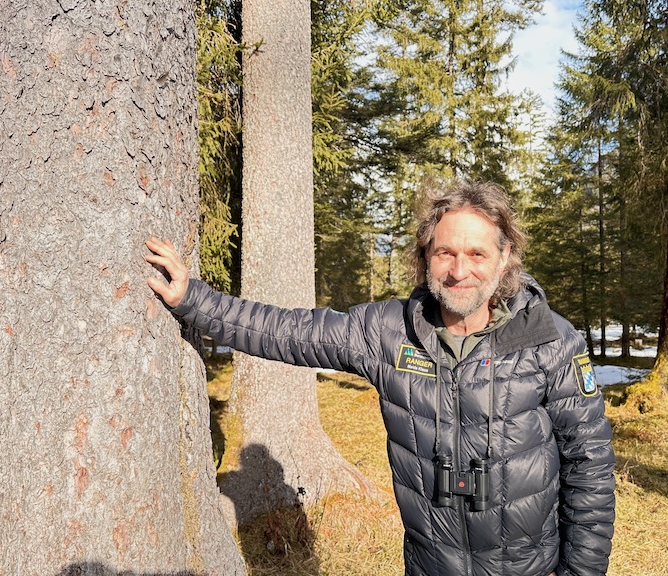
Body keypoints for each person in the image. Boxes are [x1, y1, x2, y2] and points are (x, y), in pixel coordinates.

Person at [145, 180, 615, 576]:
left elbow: (589, 467)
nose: (459, 271)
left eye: (477, 253)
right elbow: (288, 331)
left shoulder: (550, 340)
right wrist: (194, 300)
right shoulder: (390, 332)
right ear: (425, 255)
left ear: (504, 255)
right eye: (445, 252)